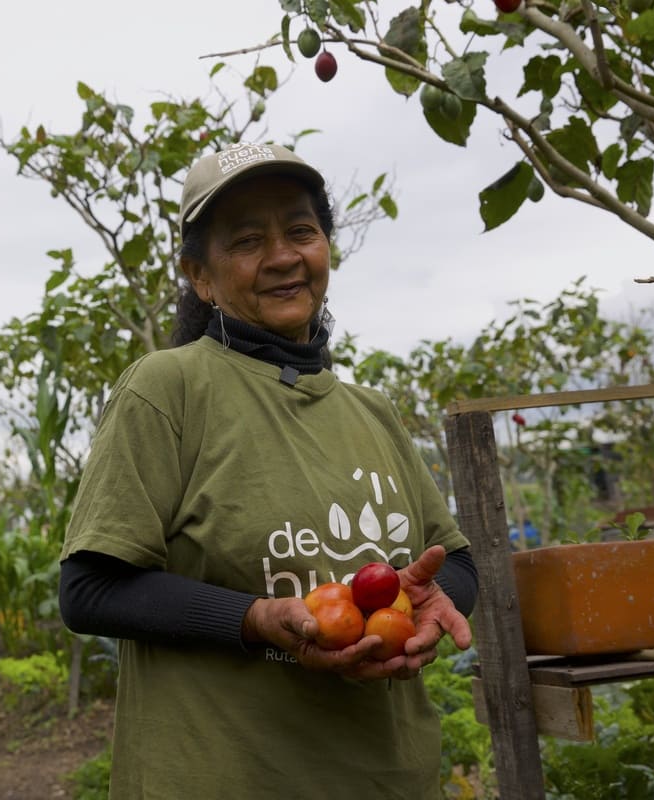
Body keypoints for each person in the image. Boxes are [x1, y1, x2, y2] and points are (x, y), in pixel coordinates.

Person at [59, 142, 478, 799]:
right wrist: (255, 619)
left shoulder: (372, 411)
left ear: (325, 251)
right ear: (201, 276)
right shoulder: (167, 389)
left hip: (389, 779)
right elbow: (90, 589)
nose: (283, 256)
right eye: (248, 240)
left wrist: (427, 603)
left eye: (301, 231)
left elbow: (455, 561)